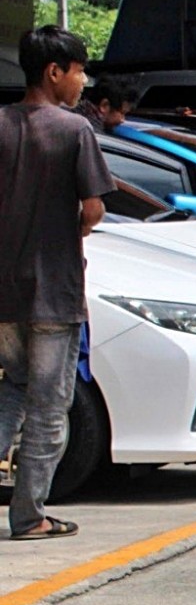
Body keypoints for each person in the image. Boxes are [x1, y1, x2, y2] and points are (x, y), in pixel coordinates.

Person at [0, 26, 114, 540]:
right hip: (54, 293)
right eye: (79, 70)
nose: (83, 80)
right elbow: (94, 209)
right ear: (54, 72)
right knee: (49, 407)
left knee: (12, 391)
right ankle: (29, 517)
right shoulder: (74, 131)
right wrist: (72, 228)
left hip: (4, 293)